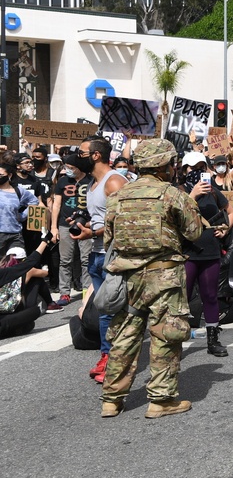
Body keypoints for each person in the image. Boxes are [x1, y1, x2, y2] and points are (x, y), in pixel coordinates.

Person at [99, 139, 203, 419]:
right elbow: (194, 233)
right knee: (165, 335)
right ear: (164, 165)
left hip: (126, 277)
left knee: (125, 334)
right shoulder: (172, 194)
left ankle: (112, 399)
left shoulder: (119, 195)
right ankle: (161, 400)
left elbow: (109, 238)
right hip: (164, 275)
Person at [73, 136, 128, 383]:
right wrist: (83, 224)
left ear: (96, 155)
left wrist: (92, 232)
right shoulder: (93, 184)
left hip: (112, 255)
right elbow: (99, 218)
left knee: (111, 310)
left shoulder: (114, 182)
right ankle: (110, 354)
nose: (77, 157)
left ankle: (111, 358)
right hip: (96, 254)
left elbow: (124, 223)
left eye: (82, 153)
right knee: (105, 309)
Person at [178, 151, 233, 358]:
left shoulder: (213, 191)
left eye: (202, 167)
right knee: (181, 297)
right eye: (193, 168)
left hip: (210, 250)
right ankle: (176, 339)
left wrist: (225, 228)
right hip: (187, 252)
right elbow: (175, 215)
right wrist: (192, 196)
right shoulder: (179, 191)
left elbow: (231, 210)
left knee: (210, 295)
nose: (198, 171)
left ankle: (212, 339)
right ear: (184, 170)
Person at [50, 155, 93, 304]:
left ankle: (87, 292)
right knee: (65, 260)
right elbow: (56, 205)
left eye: (71, 167)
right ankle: (64, 292)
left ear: (79, 168)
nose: (68, 170)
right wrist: (54, 227)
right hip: (64, 225)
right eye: (66, 167)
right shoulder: (62, 181)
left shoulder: (91, 181)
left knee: (86, 260)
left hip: (85, 225)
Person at [0, 236, 55, 337]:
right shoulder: (6, 273)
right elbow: (31, 264)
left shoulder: (3, 268)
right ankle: (50, 303)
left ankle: (16, 328)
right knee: (34, 312)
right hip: (5, 318)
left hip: (5, 311)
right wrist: (45, 241)